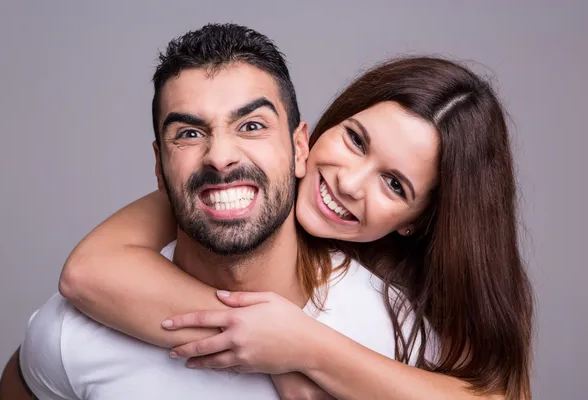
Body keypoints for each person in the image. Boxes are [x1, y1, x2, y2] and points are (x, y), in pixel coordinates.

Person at [54, 26, 533, 400]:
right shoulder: (231, 176)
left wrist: (307, 348)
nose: (348, 180)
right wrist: (276, 346)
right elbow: (90, 272)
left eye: (394, 184)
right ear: (308, 139)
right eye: (355, 139)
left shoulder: (406, 319)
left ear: (417, 221)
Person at [0, 23, 428, 400]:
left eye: (252, 126)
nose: (219, 157)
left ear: (300, 148)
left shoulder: (395, 332)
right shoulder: (70, 335)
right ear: (159, 168)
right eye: (188, 132)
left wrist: (304, 350)